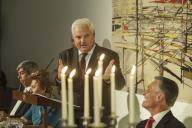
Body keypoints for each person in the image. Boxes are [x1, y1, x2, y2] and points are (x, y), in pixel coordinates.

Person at [57, 18, 125, 126]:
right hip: (72, 117)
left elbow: (120, 84)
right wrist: (58, 78)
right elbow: (53, 78)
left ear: (93, 36)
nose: (82, 41)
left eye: (86, 36)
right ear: (73, 38)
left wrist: (108, 78)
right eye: (78, 37)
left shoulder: (109, 56)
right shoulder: (65, 55)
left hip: (99, 118)